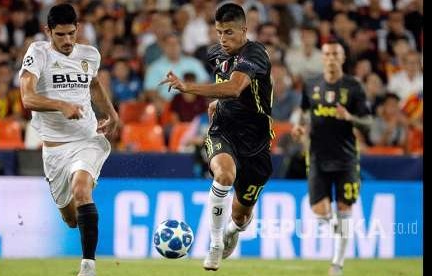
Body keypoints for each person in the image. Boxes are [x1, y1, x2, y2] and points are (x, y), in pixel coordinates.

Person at [159, 3, 273, 271]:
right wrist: (215, 105)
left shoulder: (255, 53)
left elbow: (234, 88)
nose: (223, 39)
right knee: (223, 175)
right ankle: (216, 243)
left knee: (242, 215)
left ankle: (232, 230)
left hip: (256, 144)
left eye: (229, 33)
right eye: (219, 32)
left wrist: (189, 87)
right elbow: (225, 85)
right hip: (223, 131)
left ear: (244, 30)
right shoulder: (216, 54)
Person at [18, 4, 119, 276]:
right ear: (47, 31)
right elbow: (27, 98)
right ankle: (79, 221)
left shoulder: (89, 54)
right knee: (71, 219)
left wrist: (111, 113)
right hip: (54, 150)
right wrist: (60, 105)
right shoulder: (37, 53)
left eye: (71, 34)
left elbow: (94, 84)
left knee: (82, 190)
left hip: (87, 140)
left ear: (78, 30)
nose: (67, 41)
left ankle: (88, 267)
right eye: (60, 35)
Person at [291, 40, 372, 276]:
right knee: (320, 211)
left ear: (343, 58)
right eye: (327, 54)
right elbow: (304, 112)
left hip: (346, 158)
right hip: (317, 156)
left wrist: (350, 117)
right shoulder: (311, 84)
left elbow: (368, 123)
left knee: (344, 207)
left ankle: (337, 264)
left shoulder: (354, 87)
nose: (331, 59)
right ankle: (338, 226)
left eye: (335, 54)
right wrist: (298, 126)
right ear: (322, 58)